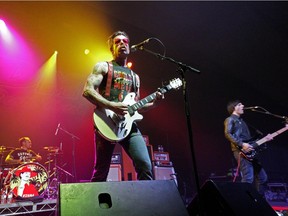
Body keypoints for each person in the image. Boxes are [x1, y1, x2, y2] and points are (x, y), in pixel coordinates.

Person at [82, 31, 164, 182]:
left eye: (125, 41)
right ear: (112, 49)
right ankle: (95, 204)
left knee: (145, 165)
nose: (122, 44)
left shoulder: (135, 77)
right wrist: (111, 105)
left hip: (128, 126)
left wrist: (156, 103)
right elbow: (87, 91)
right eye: (118, 42)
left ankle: (146, 204)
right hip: (105, 122)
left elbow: (137, 107)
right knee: (101, 171)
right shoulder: (103, 67)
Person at [224, 100, 273, 196]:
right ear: (234, 107)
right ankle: (245, 204)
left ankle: (259, 202)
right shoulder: (230, 119)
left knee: (263, 178)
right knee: (248, 179)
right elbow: (227, 133)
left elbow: (249, 140)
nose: (243, 105)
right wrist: (242, 144)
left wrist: (265, 139)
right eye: (240, 104)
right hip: (240, 152)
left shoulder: (242, 121)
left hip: (250, 152)